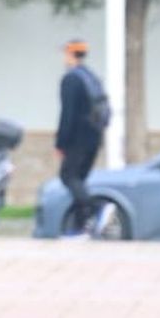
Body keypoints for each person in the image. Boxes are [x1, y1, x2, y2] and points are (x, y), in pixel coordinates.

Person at [56, 38, 107, 234]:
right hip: (94, 137)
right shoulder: (91, 77)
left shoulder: (71, 79)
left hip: (78, 139)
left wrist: (61, 143)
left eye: (65, 53)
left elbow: (67, 114)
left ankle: (96, 209)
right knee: (79, 181)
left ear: (71, 54)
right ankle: (80, 225)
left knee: (68, 176)